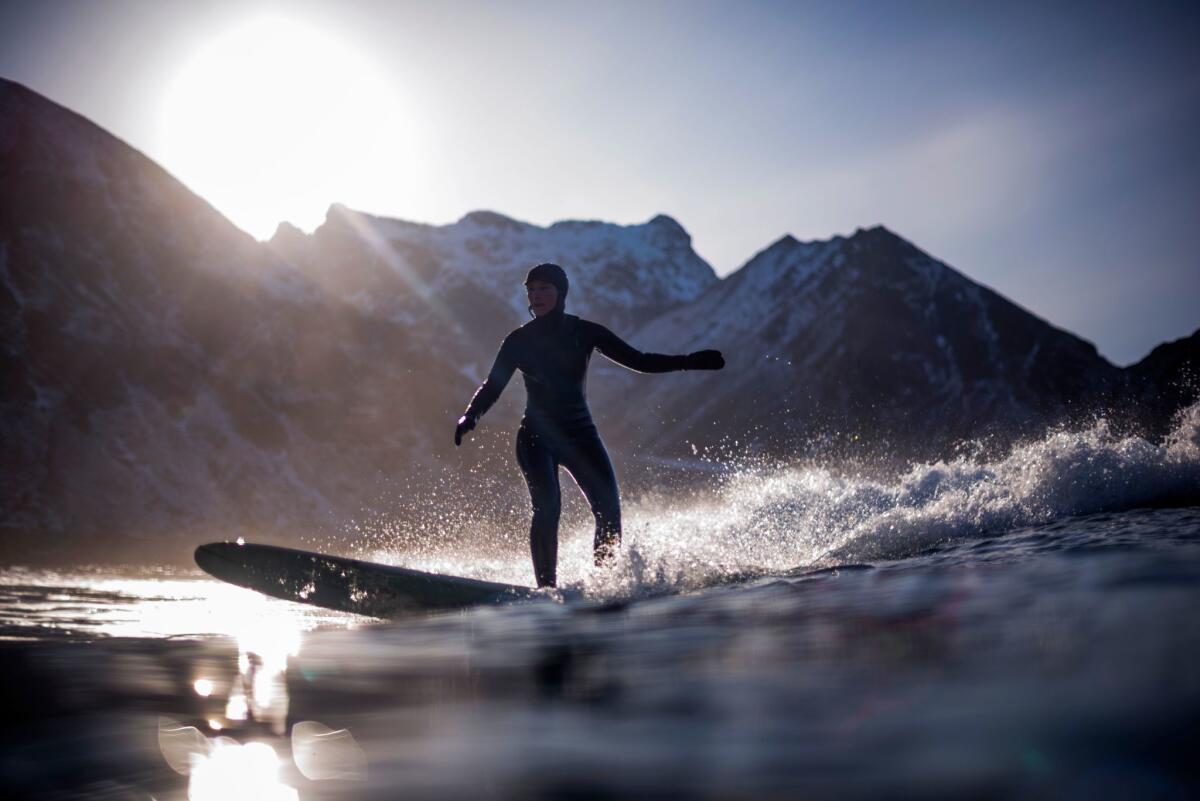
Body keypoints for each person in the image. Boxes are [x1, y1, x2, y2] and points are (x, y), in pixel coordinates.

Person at [455, 263, 725, 588]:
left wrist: (688, 361)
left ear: (561, 292)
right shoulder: (518, 341)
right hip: (536, 439)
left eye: (544, 288)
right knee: (548, 508)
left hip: (581, 436)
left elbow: (638, 360)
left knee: (609, 511)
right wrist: (470, 415)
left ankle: (604, 584)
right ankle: (546, 590)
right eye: (531, 289)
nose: (536, 295)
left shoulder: (585, 332)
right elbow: (493, 385)